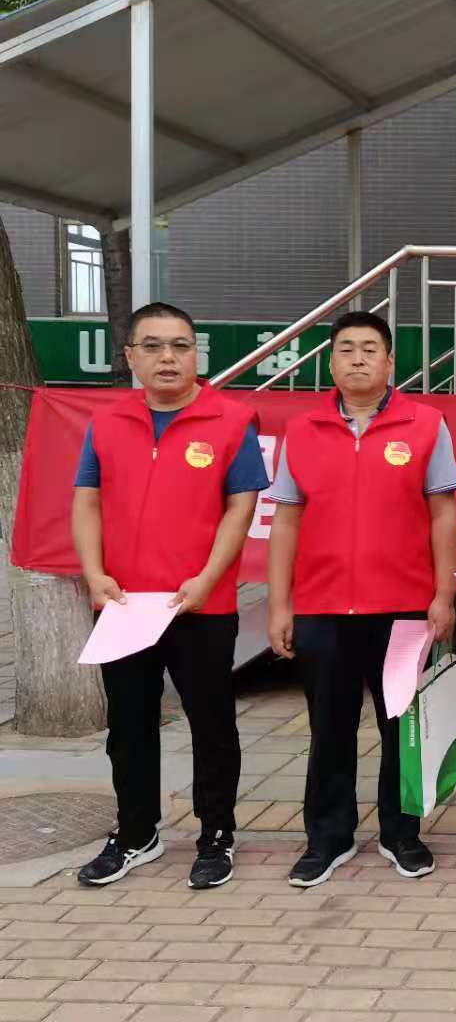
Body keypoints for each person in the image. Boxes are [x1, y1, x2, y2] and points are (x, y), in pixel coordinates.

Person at [72, 302, 269, 890]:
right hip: (124, 604)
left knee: (212, 724)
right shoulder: (106, 422)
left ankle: (217, 834)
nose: (168, 357)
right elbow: (86, 500)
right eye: (153, 346)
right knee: (128, 725)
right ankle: (136, 832)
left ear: (195, 355)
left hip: (199, 603)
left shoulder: (232, 419)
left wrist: (208, 578)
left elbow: (241, 506)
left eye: (181, 346)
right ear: (130, 356)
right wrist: (94, 573)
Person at [267, 311, 456, 888]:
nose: (358, 358)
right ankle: (328, 838)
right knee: (329, 726)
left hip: (402, 608)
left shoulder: (425, 424)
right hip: (323, 606)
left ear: (389, 362)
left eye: (370, 349)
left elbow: (443, 514)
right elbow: (285, 522)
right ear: (330, 362)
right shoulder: (303, 430)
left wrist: (444, 594)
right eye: (346, 349)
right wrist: (279, 605)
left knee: (401, 727)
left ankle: (402, 834)